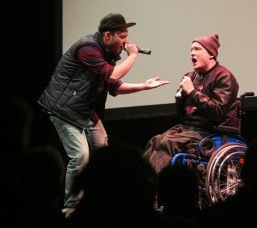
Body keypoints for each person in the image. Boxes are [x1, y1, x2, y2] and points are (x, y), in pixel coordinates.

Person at [37, 13, 169, 218]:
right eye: (122, 36)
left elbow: (114, 85)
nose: (127, 41)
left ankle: (106, 201)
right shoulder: (87, 48)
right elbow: (112, 75)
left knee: (106, 154)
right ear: (107, 35)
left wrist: (144, 86)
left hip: (85, 111)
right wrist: (133, 55)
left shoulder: (107, 53)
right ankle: (71, 210)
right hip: (63, 109)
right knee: (80, 156)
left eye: (127, 36)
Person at [143, 33, 239, 175]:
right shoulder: (191, 76)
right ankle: (143, 186)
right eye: (191, 50)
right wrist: (180, 96)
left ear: (211, 54)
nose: (192, 53)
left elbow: (217, 111)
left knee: (167, 144)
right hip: (189, 128)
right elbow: (182, 113)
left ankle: (153, 190)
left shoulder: (224, 77)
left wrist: (192, 92)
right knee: (156, 141)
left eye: (197, 49)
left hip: (210, 129)